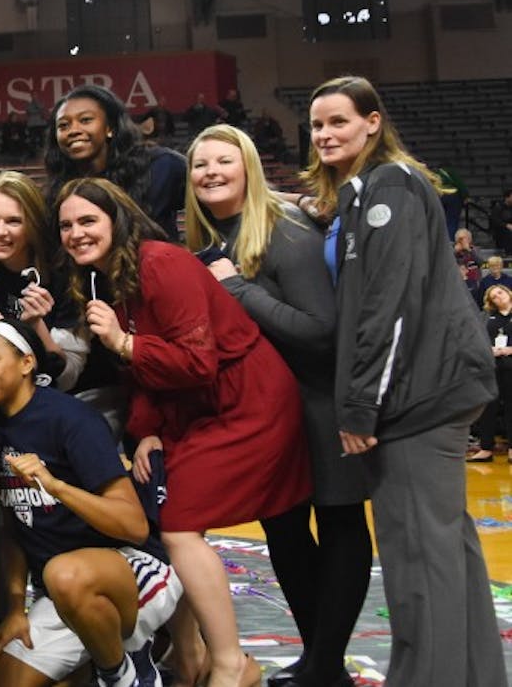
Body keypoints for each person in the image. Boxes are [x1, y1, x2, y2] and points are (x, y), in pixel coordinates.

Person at [55, 178, 312, 687]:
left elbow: (197, 361)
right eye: (66, 225)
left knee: (179, 524)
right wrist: (148, 430)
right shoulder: (111, 278)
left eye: (88, 221)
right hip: (194, 409)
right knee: (170, 515)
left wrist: (123, 342)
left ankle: (231, 664)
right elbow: (151, 370)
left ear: (117, 218)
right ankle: (196, 656)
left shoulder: (160, 262)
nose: (76, 233)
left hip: (247, 402)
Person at [301, 75, 503, 687]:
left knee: (417, 557)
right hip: (432, 387)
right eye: (316, 125)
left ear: (372, 122)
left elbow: (387, 306)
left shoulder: (387, 185)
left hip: (414, 395)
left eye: (338, 121)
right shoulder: (374, 188)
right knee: (448, 554)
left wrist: (359, 406)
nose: (324, 134)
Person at [186, 125, 370, 687]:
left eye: (224, 160)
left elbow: (320, 330)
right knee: (284, 530)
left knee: (338, 522)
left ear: (249, 167)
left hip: (319, 399)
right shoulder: (213, 236)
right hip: (267, 410)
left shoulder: (284, 229)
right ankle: (320, 660)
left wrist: (237, 289)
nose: (211, 171)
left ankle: (325, 662)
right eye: (200, 164)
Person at [0, 320, 179, 687]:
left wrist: (56, 486)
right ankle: (97, 663)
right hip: (61, 595)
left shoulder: (71, 418)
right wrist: (16, 608)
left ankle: (124, 674)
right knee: (0, 682)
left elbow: (134, 525)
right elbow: (14, 527)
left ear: (26, 363)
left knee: (63, 574)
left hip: (132, 571)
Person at [0, 172, 86, 390]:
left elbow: (68, 378)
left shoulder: (64, 273)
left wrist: (34, 325)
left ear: (33, 225)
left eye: (14, 221)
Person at [44, 85, 186, 239]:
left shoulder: (161, 166)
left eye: (85, 120)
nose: (73, 130)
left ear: (110, 127)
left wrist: (210, 255)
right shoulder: (57, 191)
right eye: (63, 125)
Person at [469, 284, 512, 462]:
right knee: (488, 407)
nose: (498, 297)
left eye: (500, 293)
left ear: (508, 293)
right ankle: (486, 448)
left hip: (511, 365)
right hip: (492, 366)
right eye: (494, 296)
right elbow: (477, 339)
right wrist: (489, 350)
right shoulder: (487, 317)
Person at [455, 228, 482, 297]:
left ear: (469, 239)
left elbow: (480, 263)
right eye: (460, 239)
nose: (462, 241)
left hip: (474, 281)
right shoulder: (453, 250)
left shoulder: (475, 249)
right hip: (458, 281)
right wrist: (455, 252)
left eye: (464, 238)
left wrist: (469, 250)